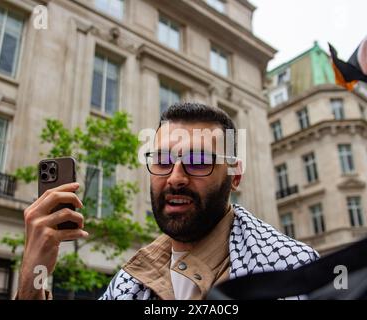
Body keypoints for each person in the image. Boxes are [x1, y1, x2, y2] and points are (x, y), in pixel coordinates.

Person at [17, 102, 318, 300]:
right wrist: (32, 280)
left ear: (235, 176)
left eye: (199, 161)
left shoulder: (297, 273)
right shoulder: (128, 281)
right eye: (162, 160)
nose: (175, 177)